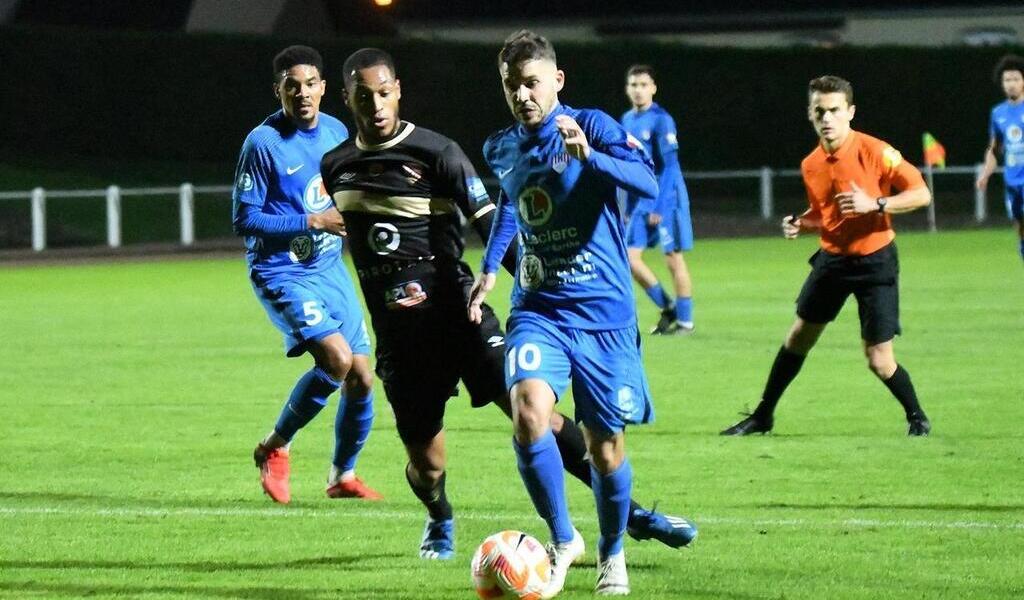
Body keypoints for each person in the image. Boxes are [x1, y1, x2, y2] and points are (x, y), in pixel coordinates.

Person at [321, 47, 695, 564]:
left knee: (537, 415)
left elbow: (492, 214)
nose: (377, 104)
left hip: (463, 317)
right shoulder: (335, 166)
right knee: (426, 466)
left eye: (384, 93)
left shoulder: (439, 152)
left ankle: (629, 516)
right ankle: (439, 516)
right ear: (348, 100)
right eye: (365, 97)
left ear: (398, 90)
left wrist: (524, 287)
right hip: (402, 337)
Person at [468, 30, 681, 596]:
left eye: (532, 82)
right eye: (512, 85)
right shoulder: (500, 146)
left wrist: (590, 156)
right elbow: (513, 204)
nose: (522, 94)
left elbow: (646, 180)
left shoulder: (594, 125)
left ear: (557, 81)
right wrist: (491, 266)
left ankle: (613, 554)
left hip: (604, 315)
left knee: (604, 447)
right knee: (529, 408)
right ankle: (563, 540)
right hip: (539, 308)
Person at [720, 75, 932, 438]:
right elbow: (826, 214)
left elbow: (920, 194)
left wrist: (877, 203)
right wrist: (801, 224)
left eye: (834, 110)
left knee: (879, 360)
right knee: (798, 336)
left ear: (850, 112)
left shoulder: (876, 151)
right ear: (810, 114)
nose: (827, 118)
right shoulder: (811, 164)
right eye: (820, 111)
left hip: (875, 260)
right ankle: (762, 416)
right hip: (832, 261)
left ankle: (918, 418)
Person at [231, 45, 381, 505]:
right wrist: (311, 222)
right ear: (277, 90)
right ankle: (275, 447)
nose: (302, 93)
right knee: (335, 360)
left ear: (323, 88)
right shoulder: (263, 144)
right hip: (282, 270)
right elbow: (245, 218)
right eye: (291, 85)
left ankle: (342, 475)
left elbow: (341, 192)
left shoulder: (336, 130)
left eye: (310, 83)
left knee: (361, 377)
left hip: (329, 267)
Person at [620, 64, 696, 334]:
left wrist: (660, 206)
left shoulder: (662, 119)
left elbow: (670, 167)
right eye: (634, 85)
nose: (639, 90)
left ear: (653, 87)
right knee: (630, 259)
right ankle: (668, 308)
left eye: (643, 84)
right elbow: (628, 166)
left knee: (673, 259)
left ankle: (685, 321)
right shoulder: (627, 120)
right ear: (628, 89)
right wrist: (627, 207)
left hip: (667, 199)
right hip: (640, 202)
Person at [976, 54, 1024, 263]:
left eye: (1015, 79)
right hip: (1012, 182)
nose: (1011, 84)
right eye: (1007, 80)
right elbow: (995, 149)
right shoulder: (998, 113)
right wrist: (985, 174)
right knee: (1019, 226)